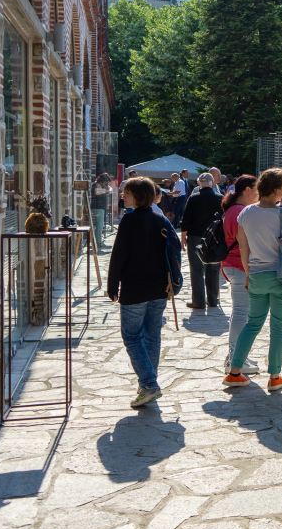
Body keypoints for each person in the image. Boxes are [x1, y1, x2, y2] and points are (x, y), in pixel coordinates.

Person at [223, 168, 282, 391]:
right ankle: (275, 377)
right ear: (276, 190)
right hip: (280, 277)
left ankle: (234, 372)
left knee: (252, 324)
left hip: (256, 276)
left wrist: (248, 275)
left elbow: (244, 248)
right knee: (278, 327)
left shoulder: (245, 213)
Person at [107, 177, 180, 407]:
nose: (123, 196)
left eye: (126, 193)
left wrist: (112, 284)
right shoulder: (160, 217)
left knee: (132, 336)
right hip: (159, 288)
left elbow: (118, 255)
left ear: (137, 195)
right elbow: (176, 247)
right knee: (152, 335)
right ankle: (148, 384)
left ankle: (148, 384)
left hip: (135, 288)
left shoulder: (129, 220)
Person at [220, 175, 261, 373]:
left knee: (240, 313)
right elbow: (245, 245)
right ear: (247, 190)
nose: (259, 194)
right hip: (239, 267)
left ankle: (237, 356)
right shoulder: (239, 211)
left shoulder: (234, 209)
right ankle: (236, 360)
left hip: (235, 265)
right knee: (241, 314)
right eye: (257, 189)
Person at [181, 172, 224, 309]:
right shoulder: (220, 198)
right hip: (215, 237)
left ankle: (198, 301)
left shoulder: (193, 198)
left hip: (196, 237)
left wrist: (183, 238)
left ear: (199, 184)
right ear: (213, 184)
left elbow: (186, 220)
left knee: (196, 269)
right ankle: (213, 299)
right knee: (213, 267)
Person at [91, 173, 112, 251]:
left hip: (99, 206)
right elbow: (97, 192)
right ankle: (98, 242)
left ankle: (98, 241)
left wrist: (107, 189)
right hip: (98, 206)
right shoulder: (97, 185)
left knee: (100, 224)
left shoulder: (99, 185)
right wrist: (107, 190)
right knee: (99, 225)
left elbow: (110, 190)